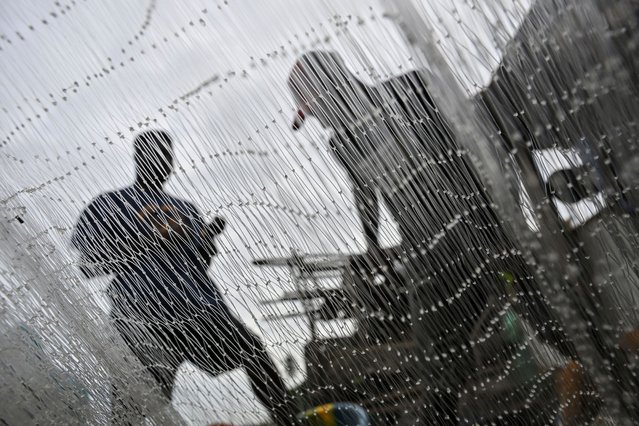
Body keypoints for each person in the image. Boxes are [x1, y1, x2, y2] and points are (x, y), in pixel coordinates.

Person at [287, 51, 578, 423]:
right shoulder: (341, 144)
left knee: (543, 310)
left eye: (313, 109)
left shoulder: (413, 88)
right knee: (439, 370)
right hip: (427, 254)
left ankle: (600, 364)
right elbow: (364, 193)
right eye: (309, 115)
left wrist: (500, 215)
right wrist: (373, 248)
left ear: (334, 87)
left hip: (479, 228)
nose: (317, 120)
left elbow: (475, 140)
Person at [72, 130, 296, 425]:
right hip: (141, 314)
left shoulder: (187, 209)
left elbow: (197, 264)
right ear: (139, 158)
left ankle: (289, 421)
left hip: (198, 309)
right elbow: (88, 266)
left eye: (168, 155)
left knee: (253, 352)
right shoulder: (109, 205)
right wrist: (147, 239)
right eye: (157, 154)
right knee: (135, 402)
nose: (164, 161)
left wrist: (205, 239)